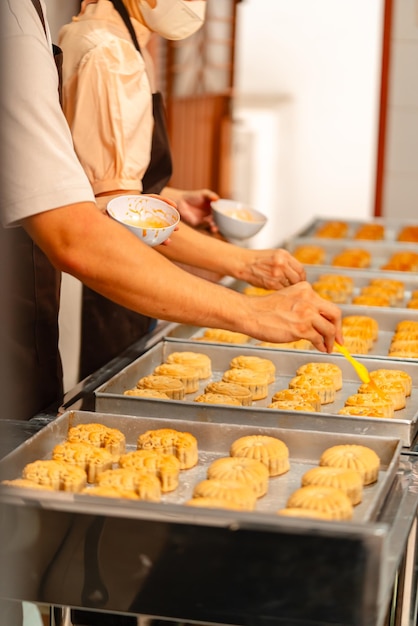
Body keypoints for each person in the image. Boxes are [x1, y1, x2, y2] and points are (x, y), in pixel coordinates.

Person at [0, 1, 342, 623]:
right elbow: (88, 223)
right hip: (70, 287)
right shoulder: (81, 43)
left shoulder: (110, 37)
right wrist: (251, 294)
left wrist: (170, 204)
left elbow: (107, 193)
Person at [59, 0, 223, 379]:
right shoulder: (108, 54)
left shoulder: (122, 40)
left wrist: (175, 199)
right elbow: (118, 213)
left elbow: (98, 179)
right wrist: (247, 264)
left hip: (121, 263)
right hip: (103, 280)